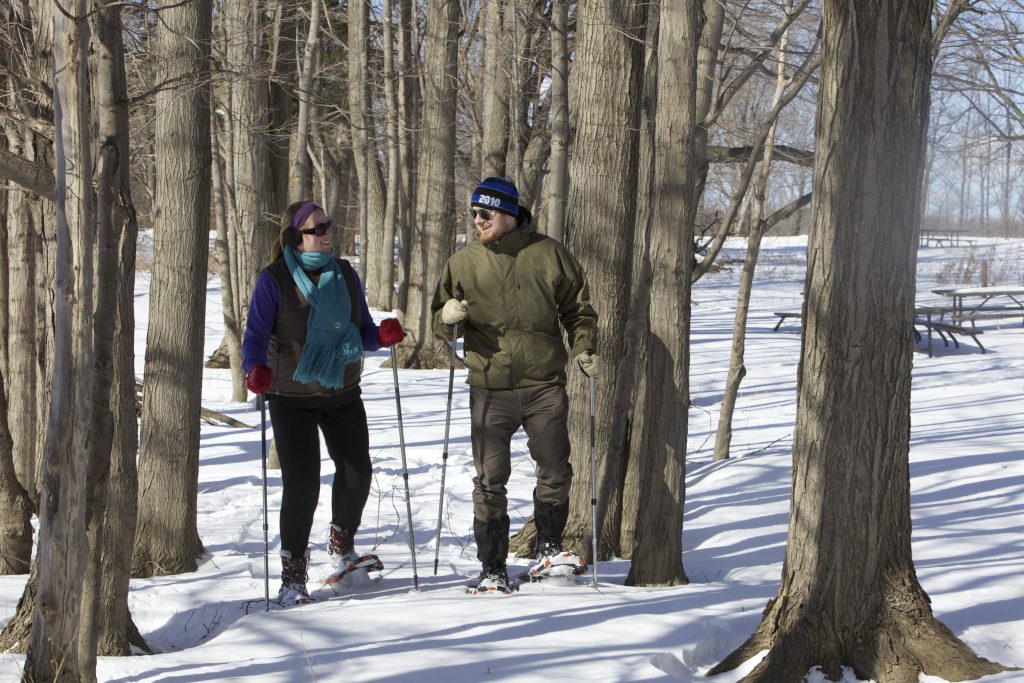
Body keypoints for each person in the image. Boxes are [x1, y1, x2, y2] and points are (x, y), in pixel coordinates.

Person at [430, 177, 601, 594]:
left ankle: (548, 547)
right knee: (490, 479)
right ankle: (492, 567)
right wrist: (447, 319)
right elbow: (442, 324)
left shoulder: (549, 254)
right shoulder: (463, 262)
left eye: (484, 213)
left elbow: (579, 310)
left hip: (544, 384)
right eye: (473, 213)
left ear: (508, 214)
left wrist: (584, 349)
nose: (477, 220)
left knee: (555, 468)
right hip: (490, 386)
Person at [242, 200, 406, 606]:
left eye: (328, 225)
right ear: (296, 236)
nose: (327, 233)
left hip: (343, 391)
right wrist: (254, 370)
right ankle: (292, 575)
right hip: (290, 396)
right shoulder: (275, 279)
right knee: (302, 485)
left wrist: (381, 337)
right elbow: (255, 337)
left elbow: (363, 330)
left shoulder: (345, 274)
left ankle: (341, 546)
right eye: (317, 228)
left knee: (357, 473)